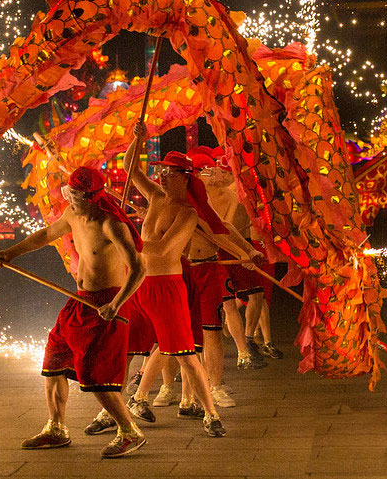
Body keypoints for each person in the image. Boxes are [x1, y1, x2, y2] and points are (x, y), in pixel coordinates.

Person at [0, 166, 147, 458]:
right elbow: (46, 234)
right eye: (69, 193)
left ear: (92, 196)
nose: (70, 199)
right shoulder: (73, 214)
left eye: (75, 195)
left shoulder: (111, 224)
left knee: (92, 373)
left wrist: (116, 304)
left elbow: (139, 268)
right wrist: (9, 253)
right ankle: (56, 428)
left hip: (105, 304)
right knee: (54, 359)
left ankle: (129, 430)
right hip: (80, 300)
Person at [115, 124, 228, 437]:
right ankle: (123, 405)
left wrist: (125, 241)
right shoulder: (154, 197)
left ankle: (211, 414)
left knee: (185, 354)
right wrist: (137, 139)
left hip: (167, 286)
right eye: (160, 172)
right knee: (131, 347)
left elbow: (164, 248)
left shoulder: (187, 213)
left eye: (169, 173)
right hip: (140, 284)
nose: (161, 178)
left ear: (185, 178)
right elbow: (129, 168)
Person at [200, 162, 282, 365]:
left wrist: (247, 251)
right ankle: (243, 350)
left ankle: (248, 341)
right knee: (227, 303)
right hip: (217, 250)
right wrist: (243, 253)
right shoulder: (200, 196)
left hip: (238, 243)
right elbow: (220, 231)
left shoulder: (236, 194)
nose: (220, 174)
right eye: (217, 170)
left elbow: (228, 227)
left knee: (257, 293)